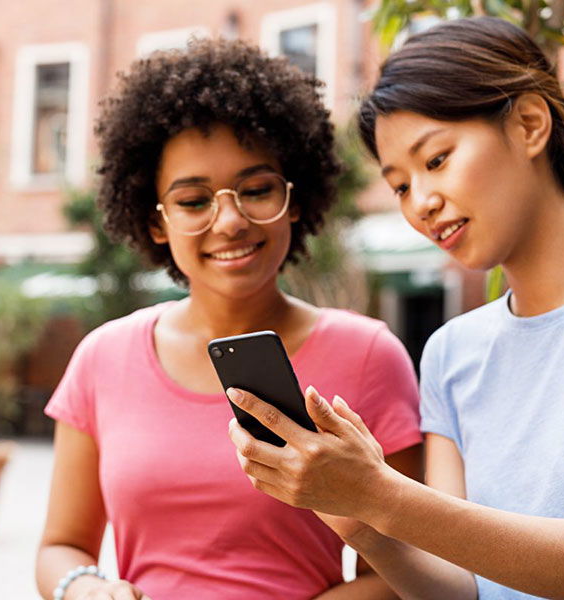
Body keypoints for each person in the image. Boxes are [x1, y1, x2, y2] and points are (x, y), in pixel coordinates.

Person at [227, 16, 564, 599]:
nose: (422, 204)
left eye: (436, 160)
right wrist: (364, 525)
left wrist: (381, 493)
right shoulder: (452, 352)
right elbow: (461, 592)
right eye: (400, 185)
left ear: (530, 125)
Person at [35, 39, 424, 600]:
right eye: (194, 201)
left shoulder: (367, 354)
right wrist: (85, 589)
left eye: (257, 189)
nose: (230, 221)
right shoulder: (103, 357)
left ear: (294, 199)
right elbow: (60, 545)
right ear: (156, 222)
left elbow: (405, 572)